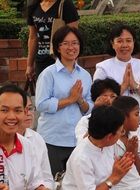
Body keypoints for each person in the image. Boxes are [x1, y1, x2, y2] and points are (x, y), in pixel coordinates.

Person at [35, 26, 93, 176]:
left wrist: (79, 100)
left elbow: (90, 108)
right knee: (54, 181)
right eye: (65, 43)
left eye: (75, 43)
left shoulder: (85, 75)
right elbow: (41, 104)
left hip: (79, 140)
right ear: (58, 48)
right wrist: (70, 99)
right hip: (53, 139)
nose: (71, 47)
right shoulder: (48, 74)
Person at [62, 105, 134, 189]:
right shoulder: (82, 158)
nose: (122, 133)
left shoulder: (106, 143)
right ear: (110, 137)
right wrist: (114, 177)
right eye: (121, 131)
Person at [93, 23, 140, 108]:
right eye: (119, 41)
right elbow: (98, 101)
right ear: (112, 44)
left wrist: (135, 85)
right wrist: (123, 86)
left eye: (128, 41)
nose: (124, 45)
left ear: (133, 42)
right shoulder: (103, 68)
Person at [0, 84, 46, 190]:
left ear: (25, 113)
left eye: (17, 110)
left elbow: (36, 183)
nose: (11, 117)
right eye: (4, 110)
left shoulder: (28, 146)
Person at [26, 0, 79, 79]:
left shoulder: (65, 4)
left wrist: (73, 62)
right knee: (42, 89)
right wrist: (29, 65)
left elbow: (74, 36)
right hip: (41, 60)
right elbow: (33, 37)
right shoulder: (33, 6)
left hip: (61, 59)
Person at [112, 96, 140, 190]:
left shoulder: (135, 136)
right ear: (124, 117)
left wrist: (134, 153)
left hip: (139, 185)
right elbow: (111, 173)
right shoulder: (110, 139)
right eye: (136, 114)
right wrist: (128, 152)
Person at [17, 93, 54, 189]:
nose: (28, 113)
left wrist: (43, 187)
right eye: (22, 109)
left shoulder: (37, 138)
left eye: (30, 108)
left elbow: (47, 178)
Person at [75, 78, 120, 144]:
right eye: (105, 96)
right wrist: (96, 113)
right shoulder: (85, 121)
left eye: (112, 96)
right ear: (95, 99)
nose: (108, 100)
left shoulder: (121, 118)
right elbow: (82, 144)